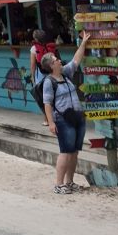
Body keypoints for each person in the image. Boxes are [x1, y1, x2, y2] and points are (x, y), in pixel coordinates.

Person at [40, 32, 91, 194]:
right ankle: (59, 183)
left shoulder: (66, 74)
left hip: (76, 117)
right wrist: (51, 122)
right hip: (63, 120)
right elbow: (47, 103)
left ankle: (70, 182)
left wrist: (83, 43)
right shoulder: (49, 82)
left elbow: (76, 60)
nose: (59, 60)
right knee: (65, 152)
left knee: (74, 152)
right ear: (51, 66)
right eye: (56, 60)